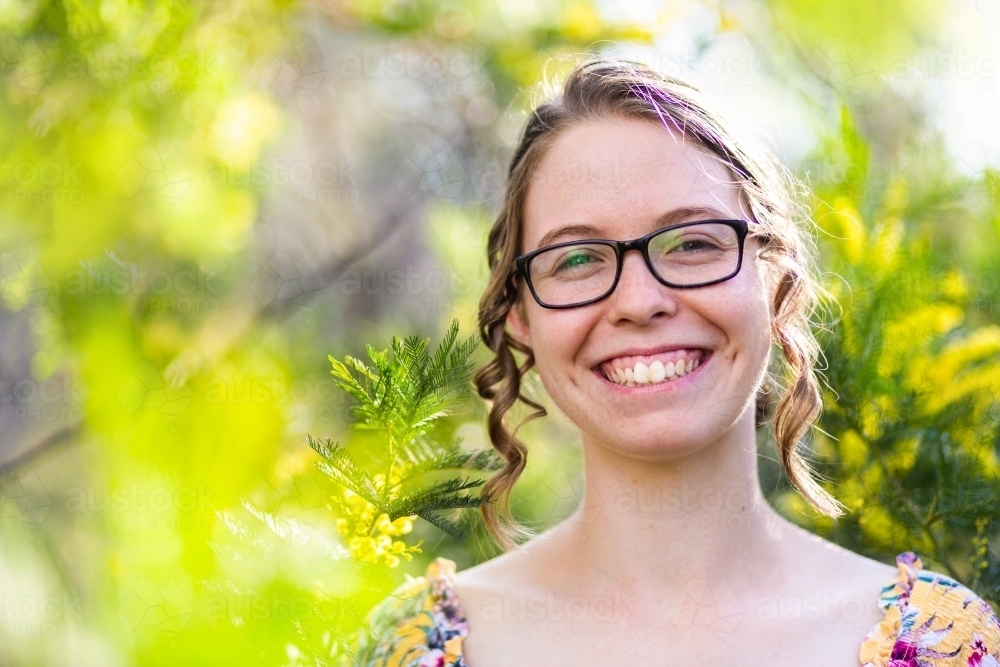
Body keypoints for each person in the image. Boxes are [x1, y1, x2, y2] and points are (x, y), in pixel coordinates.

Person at [355, 59, 1000, 667]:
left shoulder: (938, 642)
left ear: (774, 276)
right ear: (519, 314)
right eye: (577, 258)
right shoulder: (417, 648)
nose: (639, 301)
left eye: (692, 242)